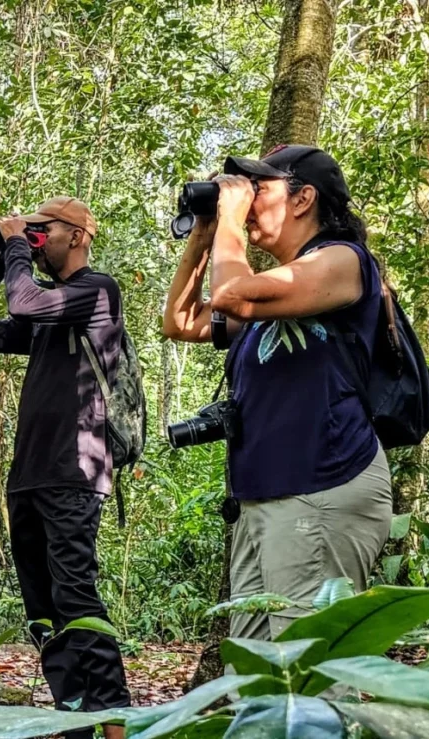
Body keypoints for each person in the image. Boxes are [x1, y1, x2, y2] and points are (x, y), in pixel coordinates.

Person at [162, 145, 392, 641]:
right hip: (264, 496)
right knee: (257, 673)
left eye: (257, 189)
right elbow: (181, 322)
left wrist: (228, 222)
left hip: (321, 486)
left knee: (308, 670)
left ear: (303, 198)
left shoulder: (340, 261)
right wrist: (204, 236)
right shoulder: (265, 291)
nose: (243, 203)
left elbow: (231, 296)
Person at [0, 197, 130, 739]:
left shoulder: (97, 292)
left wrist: (12, 249)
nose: (33, 238)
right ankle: (73, 722)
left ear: (76, 235)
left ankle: (116, 722)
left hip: (74, 472)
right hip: (29, 476)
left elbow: (25, 302)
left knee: (78, 601)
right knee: (44, 612)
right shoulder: (48, 315)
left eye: (40, 230)